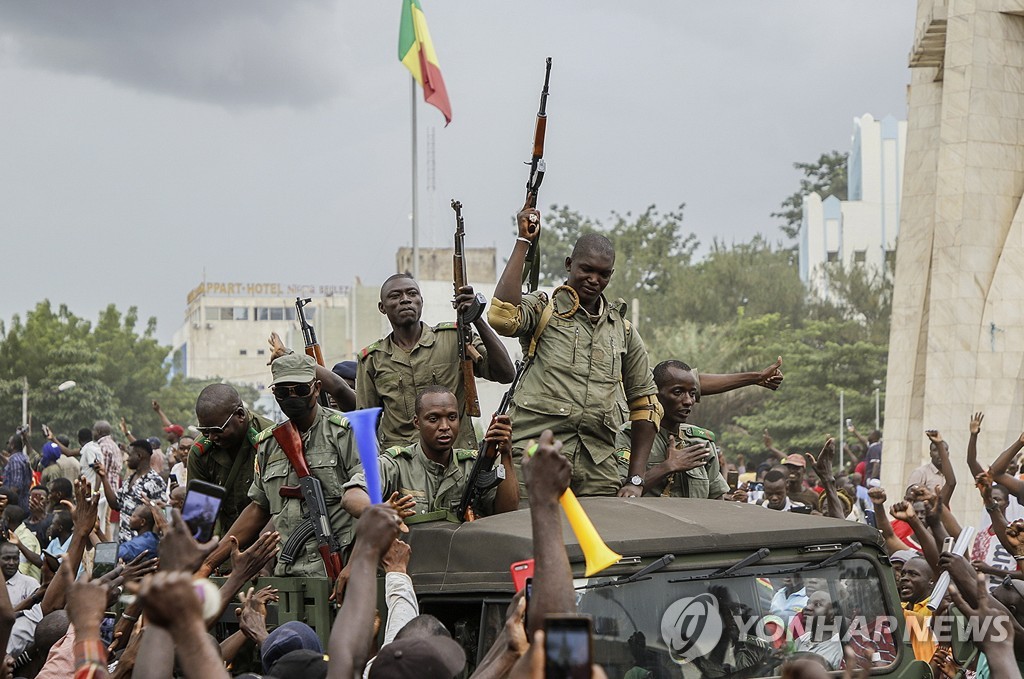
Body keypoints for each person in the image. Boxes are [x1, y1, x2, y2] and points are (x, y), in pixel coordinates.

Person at [489, 216, 661, 498]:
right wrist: (523, 242)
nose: (594, 280)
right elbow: (501, 317)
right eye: (586, 269)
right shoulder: (544, 309)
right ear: (569, 264)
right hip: (534, 456)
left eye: (603, 274)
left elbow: (646, 405)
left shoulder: (623, 331)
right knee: (529, 538)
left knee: (594, 541)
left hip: (597, 470)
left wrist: (636, 479)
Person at [203, 353, 364, 580]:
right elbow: (259, 508)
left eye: (299, 390)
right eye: (282, 392)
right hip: (288, 573)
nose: (291, 397)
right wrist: (209, 563)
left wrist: (356, 565)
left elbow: (371, 506)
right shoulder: (269, 443)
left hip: (340, 569)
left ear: (317, 388)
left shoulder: (346, 432)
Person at [356, 273, 515, 449]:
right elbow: (365, 427)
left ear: (421, 301)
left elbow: (506, 373)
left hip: (457, 460)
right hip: (403, 467)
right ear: (382, 307)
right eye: (395, 296)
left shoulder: (455, 339)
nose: (405, 300)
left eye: (412, 294)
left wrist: (476, 317)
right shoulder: (372, 360)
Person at [343, 386, 519, 522]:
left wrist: (506, 455)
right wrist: (379, 511)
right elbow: (352, 496)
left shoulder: (472, 465)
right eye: (433, 419)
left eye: (452, 417)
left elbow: (506, 512)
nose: (444, 426)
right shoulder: (397, 464)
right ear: (417, 422)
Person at [614, 360, 729, 499]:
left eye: (692, 394)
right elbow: (619, 495)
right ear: (655, 393)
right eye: (678, 392)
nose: (688, 401)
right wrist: (667, 467)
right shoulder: (627, 438)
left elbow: (717, 499)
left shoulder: (701, 443)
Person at [187, 383, 272, 532]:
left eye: (217, 430)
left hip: (270, 537)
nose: (212, 437)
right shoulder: (200, 452)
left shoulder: (271, 441)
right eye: (205, 431)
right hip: (227, 539)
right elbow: (200, 518)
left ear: (240, 415)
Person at [96, 439, 168, 543]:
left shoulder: (155, 482)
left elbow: (160, 516)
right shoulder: (129, 480)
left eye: (130, 455)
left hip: (142, 546)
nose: (127, 459)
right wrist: (103, 477)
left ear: (139, 456)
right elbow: (115, 504)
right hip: (125, 544)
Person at [898, 556, 936, 662]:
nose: (904, 578)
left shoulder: (935, 609)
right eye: (903, 574)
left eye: (913, 574)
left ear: (931, 581)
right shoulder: (898, 608)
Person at [4, 504, 40, 580]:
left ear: (7, 519)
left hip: (27, 587)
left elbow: (22, 570)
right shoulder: (14, 535)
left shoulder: (26, 538)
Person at [4, 433, 31, 511]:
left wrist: (8, 503)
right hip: (24, 502)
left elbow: (16, 485)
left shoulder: (14, 460)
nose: (7, 445)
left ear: (12, 445)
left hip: (17, 505)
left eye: (8, 443)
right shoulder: (24, 458)